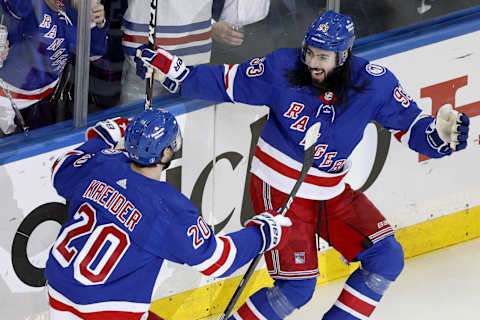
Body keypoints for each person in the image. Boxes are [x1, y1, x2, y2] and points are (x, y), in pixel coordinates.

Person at [134, 9, 470, 320]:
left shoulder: (374, 84)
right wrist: (174, 71)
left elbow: (413, 129)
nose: (312, 63)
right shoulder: (283, 67)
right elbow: (227, 82)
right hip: (279, 189)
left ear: (345, 55)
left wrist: (438, 137)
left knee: (387, 258)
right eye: (309, 52)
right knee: (297, 288)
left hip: (331, 190)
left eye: (322, 57)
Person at [44, 108, 292, 320]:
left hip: (58, 289)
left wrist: (102, 137)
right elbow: (217, 260)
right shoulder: (166, 207)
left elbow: (59, 171)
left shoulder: (102, 163)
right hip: (106, 309)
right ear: (166, 154)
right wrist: (263, 233)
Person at [0, 0, 107, 135]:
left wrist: (95, 22)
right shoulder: (26, 5)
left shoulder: (68, 8)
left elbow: (94, 54)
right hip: (6, 100)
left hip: (45, 101)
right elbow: (8, 22)